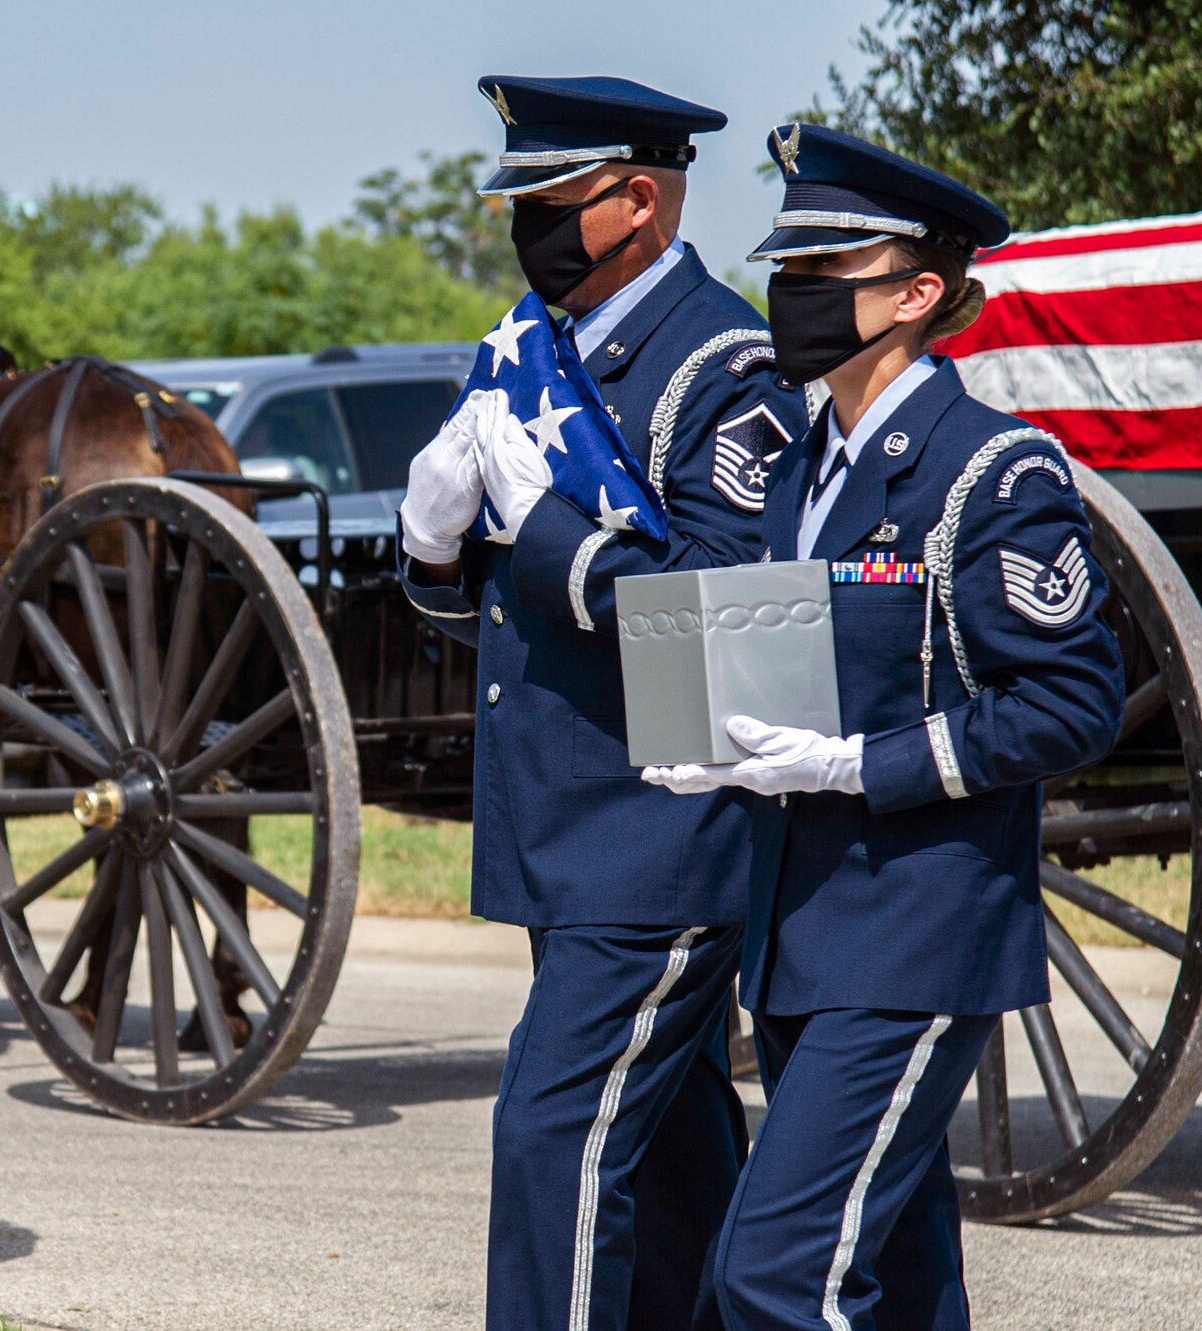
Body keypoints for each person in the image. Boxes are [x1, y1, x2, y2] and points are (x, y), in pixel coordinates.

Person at [644, 123, 1125, 1329]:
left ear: (915, 294)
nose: (788, 296)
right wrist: (700, 721)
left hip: (913, 932)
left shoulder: (987, 471)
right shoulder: (804, 465)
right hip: (799, 930)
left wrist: (860, 763)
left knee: (771, 1276)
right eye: (786, 270)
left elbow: (1070, 703)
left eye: (821, 273)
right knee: (904, 1283)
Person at [399, 75, 808, 1331]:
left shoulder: (718, 361)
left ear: (638, 198)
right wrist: (429, 547)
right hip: (564, 822)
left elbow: (745, 640)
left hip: (659, 834)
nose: (525, 227)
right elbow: (476, 601)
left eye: (549, 200)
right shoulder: (532, 343)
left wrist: (550, 540)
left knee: (551, 1136)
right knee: (676, 1156)